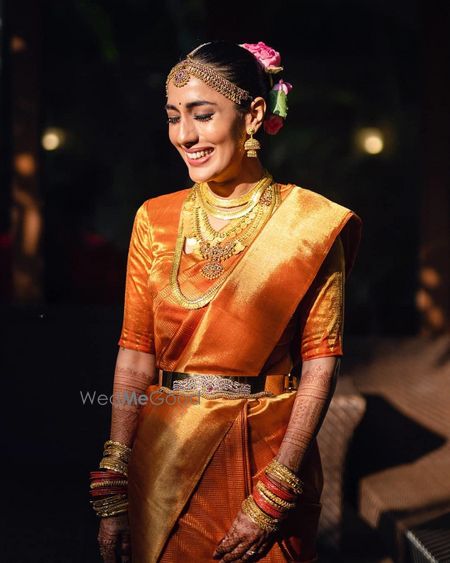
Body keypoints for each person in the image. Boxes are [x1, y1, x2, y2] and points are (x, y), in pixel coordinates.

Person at [90, 40, 362, 563]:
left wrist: (276, 491)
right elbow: (134, 355)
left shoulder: (310, 225)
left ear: (254, 113)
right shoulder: (155, 218)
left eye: (203, 114)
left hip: (268, 461)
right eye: (173, 118)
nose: (185, 135)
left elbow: (321, 366)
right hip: (162, 462)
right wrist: (116, 480)